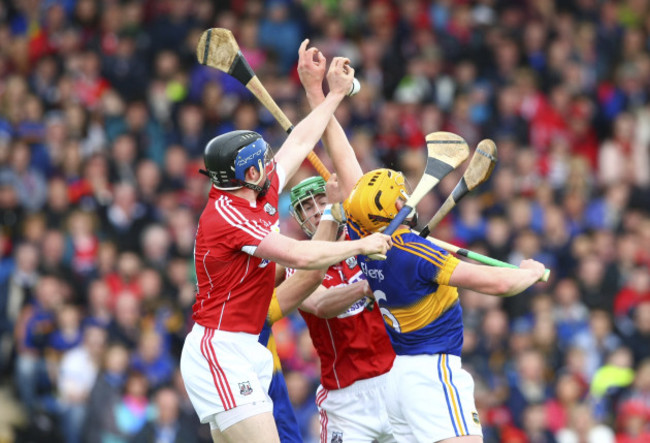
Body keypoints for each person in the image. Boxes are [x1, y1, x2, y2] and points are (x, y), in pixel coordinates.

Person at [296, 41, 546, 443]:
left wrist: (317, 94)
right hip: (433, 373)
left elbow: (344, 161)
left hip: (401, 378)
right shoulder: (417, 253)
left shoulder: (366, 239)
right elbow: (497, 284)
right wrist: (528, 273)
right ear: (400, 203)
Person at [179, 55, 392, 443]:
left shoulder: (251, 189)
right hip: (223, 349)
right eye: (263, 162)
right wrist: (362, 244)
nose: (270, 165)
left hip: (243, 348)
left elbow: (299, 140)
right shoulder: (228, 216)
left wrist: (331, 96)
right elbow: (300, 257)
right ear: (250, 173)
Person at [272, 174, 398, 443]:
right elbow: (320, 304)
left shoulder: (371, 245)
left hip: (397, 383)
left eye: (322, 202)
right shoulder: (301, 264)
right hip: (344, 400)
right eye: (308, 207)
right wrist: (364, 287)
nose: (316, 212)